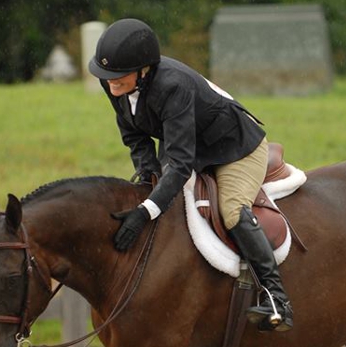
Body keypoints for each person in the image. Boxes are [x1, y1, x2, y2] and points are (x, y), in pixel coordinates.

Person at [88, 18, 293, 332]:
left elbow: (181, 165)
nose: (111, 85)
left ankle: (277, 296)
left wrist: (145, 212)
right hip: (186, 141)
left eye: (118, 78)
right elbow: (135, 136)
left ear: (144, 71)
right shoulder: (115, 81)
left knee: (232, 209)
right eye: (108, 77)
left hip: (235, 148)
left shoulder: (174, 85)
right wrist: (146, 175)